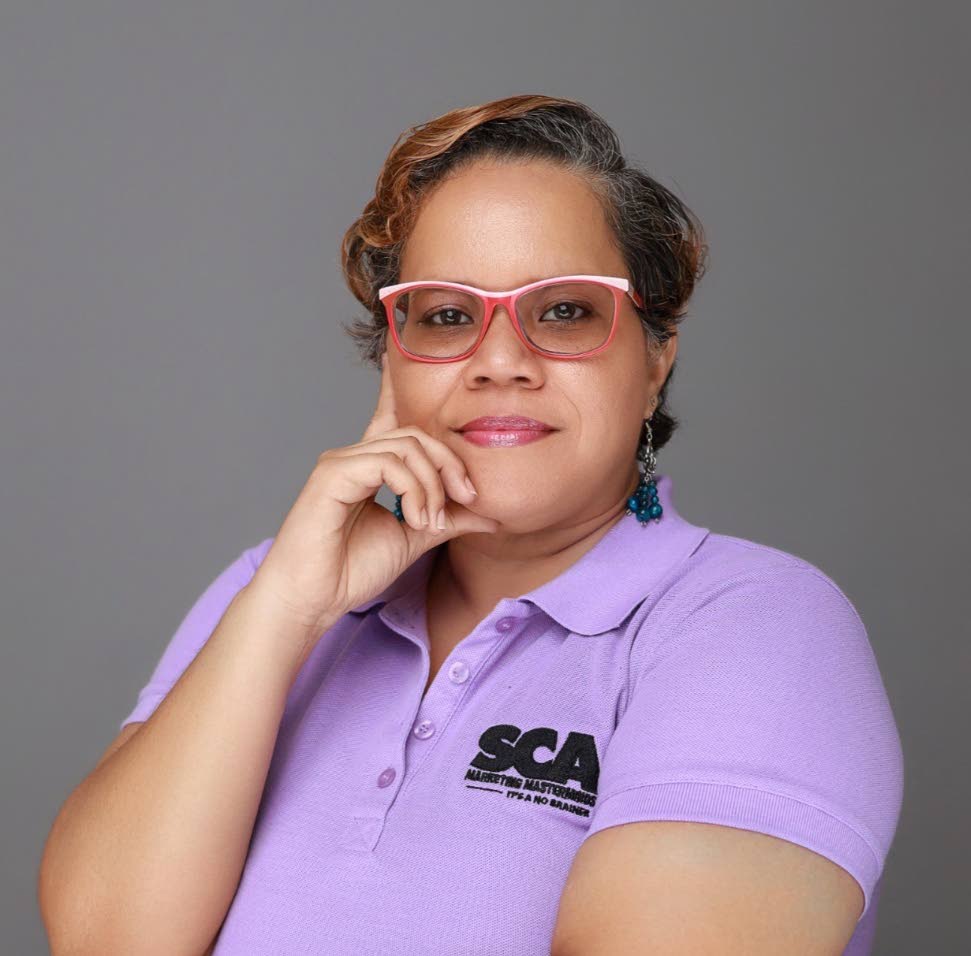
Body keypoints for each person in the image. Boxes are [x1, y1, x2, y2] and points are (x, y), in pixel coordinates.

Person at [38, 94, 903, 956]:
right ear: (393, 364)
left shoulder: (754, 624)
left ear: (653, 361)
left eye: (564, 310)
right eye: (447, 316)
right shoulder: (277, 590)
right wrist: (288, 608)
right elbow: (105, 940)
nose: (498, 361)